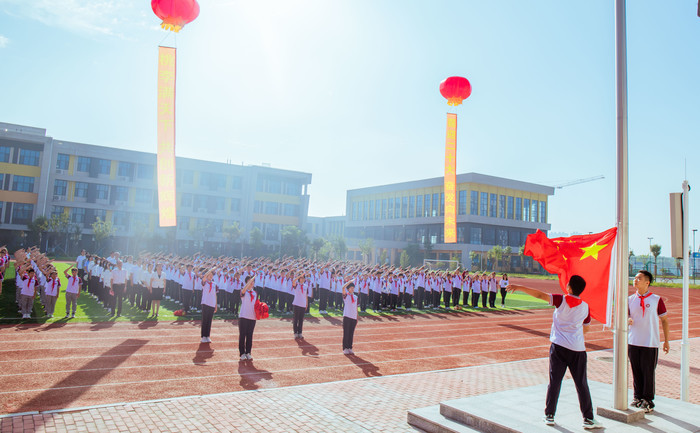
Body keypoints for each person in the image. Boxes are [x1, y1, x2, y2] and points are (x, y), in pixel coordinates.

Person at [507, 275, 602, 429]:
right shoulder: (585, 306)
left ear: (569, 287)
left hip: (559, 347)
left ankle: (549, 415)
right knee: (581, 384)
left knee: (555, 382)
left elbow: (539, 295)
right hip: (577, 349)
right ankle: (588, 419)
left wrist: (519, 287)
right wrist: (574, 334)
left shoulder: (561, 300)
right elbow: (587, 327)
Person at [628, 270, 670, 413]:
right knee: (636, 371)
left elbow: (664, 320)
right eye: (635, 278)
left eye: (639, 278)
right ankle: (637, 397)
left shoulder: (656, 300)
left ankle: (648, 400)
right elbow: (624, 318)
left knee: (648, 372)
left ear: (647, 282)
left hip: (650, 342)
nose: (635, 280)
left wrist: (666, 341)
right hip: (633, 341)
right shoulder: (629, 300)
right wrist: (627, 320)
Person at [239, 275, 258, 361]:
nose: (251, 283)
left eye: (253, 282)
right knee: (242, 335)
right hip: (243, 316)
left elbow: (256, 304)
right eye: (250, 282)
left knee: (250, 335)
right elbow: (243, 290)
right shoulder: (244, 291)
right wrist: (249, 282)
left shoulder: (255, 293)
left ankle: (248, 352)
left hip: (252, 317)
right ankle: (242, 353)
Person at [199, 270, 218, 343]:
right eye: (209, 275)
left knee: (209, 320)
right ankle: (203, 336)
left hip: (212, 304)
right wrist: (210, 270)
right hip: (205, 303)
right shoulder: (205, 282)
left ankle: (207, 335)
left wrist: (215, 305)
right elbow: (204, 278)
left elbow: (215, 295)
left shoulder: (214, 284)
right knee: (205, 320)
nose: (210, 276)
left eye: (211, 275)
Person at [341, 278, 358, 355]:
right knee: (346, 333)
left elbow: (356, 308)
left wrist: (357, 317)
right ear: (348, 289)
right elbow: (343, 288)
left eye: (353, 288)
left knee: (351, 333)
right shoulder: (346, 296)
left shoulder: (355, 297)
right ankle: (345, 348)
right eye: (351, 288)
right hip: (347, 316)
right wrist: (349, 282)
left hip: (353, 317)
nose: (352, 289)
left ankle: (350, 347)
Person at [291, 272, 310, 339]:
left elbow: (306, 296)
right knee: (295, 319)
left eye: (303, 278)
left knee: (301, 320)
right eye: (301, 278)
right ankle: (295, 332)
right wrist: (299, 276)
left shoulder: (306, 286)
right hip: (296, 304)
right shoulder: (297, 285)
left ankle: (300, 332)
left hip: (303, 304)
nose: (302, 279)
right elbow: (293, 281)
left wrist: (306, 303)